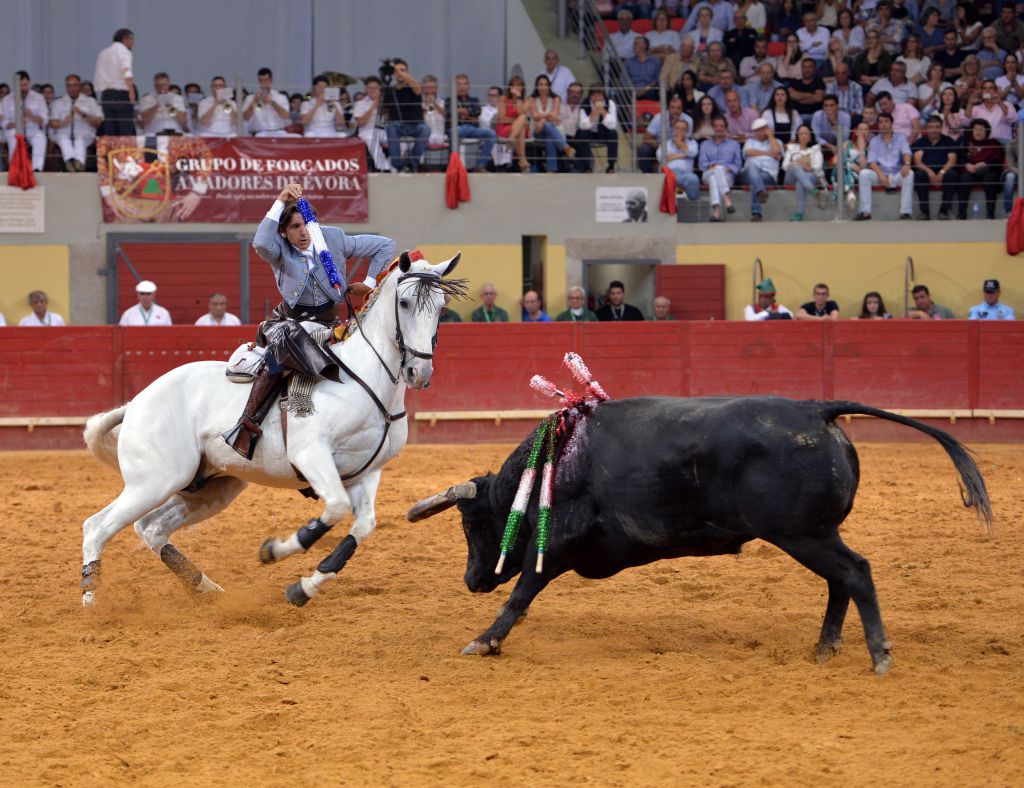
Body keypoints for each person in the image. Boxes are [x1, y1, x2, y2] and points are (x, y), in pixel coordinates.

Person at [227, 183, 397, 458]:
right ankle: (247, 423)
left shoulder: (333, 238)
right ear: (284, 232)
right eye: (295, 227)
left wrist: (369, 283)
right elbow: (260, 242)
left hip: (331, 323)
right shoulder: (278, 249)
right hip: (290, 324)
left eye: (306, 224)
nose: (303, 231)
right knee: (280, 357)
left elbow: (385, 245)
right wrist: (280, 200)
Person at [854, 111, 915, 220]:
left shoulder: (901, 138)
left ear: (891, 123)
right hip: (880, 174)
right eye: (881, 122)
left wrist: (906, 164)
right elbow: (871, 162)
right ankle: (865, 211)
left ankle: (905, 212)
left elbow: (907, 153)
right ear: (878, 125)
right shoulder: (874, 140)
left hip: (896, 174)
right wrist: (881, 175)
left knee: (909, 173)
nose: (884, 124)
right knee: (864, 174)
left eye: (886, 121)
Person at [48, 73, 102, 172]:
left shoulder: (90, 101)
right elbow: (52, 123)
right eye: (69, 86)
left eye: (75, 85)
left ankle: (78, 163)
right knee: (63, 139)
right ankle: (71, 162)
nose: (72, 88)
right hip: (63, 133)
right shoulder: (58, 102)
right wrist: (63, 122)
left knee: (79, 139)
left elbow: (98, 122)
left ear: (80, 86)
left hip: (85, 134)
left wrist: (82, 114)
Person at [382, 59, 429, 173]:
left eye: (402, 70)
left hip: (416, 124)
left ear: (408, 72)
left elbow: (429, 109)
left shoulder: (414, 87)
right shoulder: (390, 90)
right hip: (397, 125)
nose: (399, 73)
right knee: (391, 127)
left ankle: (412, 164)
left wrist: (432, 105)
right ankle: (399, 165)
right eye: (396, 71)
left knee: (425, 129)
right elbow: (385, 109)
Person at [912, 115, 960, 219]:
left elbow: (952, 160)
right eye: (931, 127)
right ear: (926, 128)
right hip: (926, 171)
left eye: (937, 127)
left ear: (941, 127)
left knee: (953, 174)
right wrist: (929, 172)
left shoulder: (949, 141)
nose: (934, 130)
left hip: (944, 171)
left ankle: (944, 211)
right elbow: (917, 161)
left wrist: (942, 173)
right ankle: (924, 212)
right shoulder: (920, 142)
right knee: (919, 175)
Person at [447, 74, 496, 173]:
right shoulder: (449, 100)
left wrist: (462, 112)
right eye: (459, 84)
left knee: (491, 134)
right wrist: (470, 115)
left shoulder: (474, 100)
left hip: (473, 129)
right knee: (454, 132)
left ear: (468, 86)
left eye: (464, 84)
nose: (462, 87)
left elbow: (477, 112)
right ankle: (455, 166)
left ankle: (480, 165)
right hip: (457, 129)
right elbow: (449, 113)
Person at [528, 75, 575, 173]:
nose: (543, 87)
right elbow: (535, 116)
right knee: (547, 125)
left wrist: (542, 119)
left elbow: (554, 115)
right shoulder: (531, 99)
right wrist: (546, 117)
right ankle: (565, 147)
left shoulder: (555, 98)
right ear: (537, 86)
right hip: (537, 131)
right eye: (540, 84)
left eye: (546, 84)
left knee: (549, 137)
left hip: (550, 131)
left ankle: (551, 169)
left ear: (549, 86)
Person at [959, 117, 1005, 218]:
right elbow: (959, 158)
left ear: (986, 132)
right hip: (970, 170)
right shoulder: (966, 143)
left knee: (990, 178)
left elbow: (998, 160)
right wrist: (966, 164)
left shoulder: (993, 143)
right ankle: (962, 213)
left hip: (987, 171)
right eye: (976, 129)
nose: (978, 132)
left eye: (981, 130)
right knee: (965, 178)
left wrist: (985, 163)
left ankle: (990, 213)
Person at [1, 72, 48, 172]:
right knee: (14, 137)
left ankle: (36, 169)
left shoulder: (39, 98)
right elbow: (3, 122)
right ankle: (15, 169)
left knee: (40, 138)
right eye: (20, 85)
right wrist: (16, 123)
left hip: (33, 128)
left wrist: (31, 116)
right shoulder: (6, 99)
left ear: (29, 83)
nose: (23, 88)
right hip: (14, 129)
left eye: (25, 85)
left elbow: (44, 120)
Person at [699, 116, 743, 220]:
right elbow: (701, 164)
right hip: (708, 172)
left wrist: (728, 169)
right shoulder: (705, 144)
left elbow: (738, 165)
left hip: (727, 175)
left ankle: (716, 211)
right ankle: (726, 198)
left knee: (714, 178)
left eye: (721, 126)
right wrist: (710, 166)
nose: (719, 128)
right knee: (716, 170)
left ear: (725, 128)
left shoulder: (734, 144)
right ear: (713, 128)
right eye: (716, 126)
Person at [93, 28, 135, 135]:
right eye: (131, 39)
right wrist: (131, 91)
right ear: (125, 38)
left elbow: (98, 75)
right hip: (121, 94)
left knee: (110, 131)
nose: (133, 43)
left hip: (106, 95)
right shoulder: (124, 51)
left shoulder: (103, 53)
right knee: (125, 131)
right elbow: (126, 70)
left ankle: (112, 147)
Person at [783, 124, 826, 221]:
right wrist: (798, 164)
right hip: (791, 176)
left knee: (800, 181)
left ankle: (799, 214)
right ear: (797, 136)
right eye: (801, 134)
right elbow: (785, 166)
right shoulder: (791, 148)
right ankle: (812, 190)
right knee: (795, 167)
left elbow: (817, 167)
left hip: (810, 176)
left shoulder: (815, 149)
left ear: (810, 136)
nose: (803, 136)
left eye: (806, 134)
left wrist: (803, 165)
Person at [742, 117, 781, 222]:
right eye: (757, 130)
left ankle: (757, 213)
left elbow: (777, 152)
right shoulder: (750, 141)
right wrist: (769, 154)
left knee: (756, 179)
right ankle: (760, 191)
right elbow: (749, 152)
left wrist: (771, 136)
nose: (760, 132)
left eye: (763, 129)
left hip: (768, 174)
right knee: (751, 165)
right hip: (749, 173)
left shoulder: (776, 142)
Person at [577, 85, 619, 173]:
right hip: (590, 132)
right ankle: (586, 167)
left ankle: (611, 166)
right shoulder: (585, 103)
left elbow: (612, 125)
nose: (597, 98)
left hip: (603, 131)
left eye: (599, 95)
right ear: (590, 96)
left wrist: (603, 112)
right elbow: (582, 125)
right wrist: (593, 114)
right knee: (581, 133)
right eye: (594, 96)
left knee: (613, 133)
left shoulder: (610, 103)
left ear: (603, 95)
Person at [659, 117, 702, 200]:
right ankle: (679, 193)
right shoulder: (666, 144)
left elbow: (693, 153)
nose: (680, 131)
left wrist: (679, 143)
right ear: (673, 130)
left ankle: (684, 196)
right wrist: (683, 155)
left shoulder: (692, 143)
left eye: (683, 129)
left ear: (687, 131)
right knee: (668, 178)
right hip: (669, 173)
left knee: (694, 179)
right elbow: (661, 157)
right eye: (677, 128)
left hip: (686, 174)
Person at [353, 76, 390, 172]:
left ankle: (395, 166)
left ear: (380, 89)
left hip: (383, 130)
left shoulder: (385, 102)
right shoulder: (360, 103)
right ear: (366, 89)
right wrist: (374, 105)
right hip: (366, 130)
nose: (373, 90)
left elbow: (385, 121)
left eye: (376, 88)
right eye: (371, 88)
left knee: (398, 140)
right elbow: (361, 123)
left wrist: (380, 103)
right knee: (371, 139)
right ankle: (384, 168)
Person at [137, 72, 189, 138]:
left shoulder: (177, 98)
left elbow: (182, 121)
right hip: (154, 131)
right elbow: (144, 122)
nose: (161, 87)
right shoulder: (146, 98)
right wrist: (157, 106)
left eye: (164, 84)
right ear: (154, 85)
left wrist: (170, 107)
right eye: (158, 85)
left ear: (168, 84)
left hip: (175, 130)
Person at [243, 68, 291, 137]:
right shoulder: (250, 98)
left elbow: (285, 115)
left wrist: (271, 102)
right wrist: (254, 102)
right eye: (261, 80)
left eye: (266, 80)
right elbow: (245, 118)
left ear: (271, 80)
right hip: (260, 133)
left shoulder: (280, 97)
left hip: (279, 132)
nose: (263, 83)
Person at [301, 74, 347, 139]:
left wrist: (333, 104)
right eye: (319, 87)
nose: (322, 90)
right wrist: (317, 105)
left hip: (330, 133)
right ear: (314, 88)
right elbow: (304, 123)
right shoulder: (307, 103)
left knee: (343, 135)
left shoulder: (334, 103)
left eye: (324, 87)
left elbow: (341, 124)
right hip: (313, 133)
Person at [626, 36, 662, 100]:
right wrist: (633, 90)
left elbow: (657, 79)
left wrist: (645, 89)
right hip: (632, 90)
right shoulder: (628, 62)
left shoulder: (655, 61)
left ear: (644, 45)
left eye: (636, 43)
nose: (633, 46)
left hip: (650, 90)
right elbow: (624, 79)